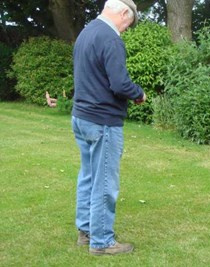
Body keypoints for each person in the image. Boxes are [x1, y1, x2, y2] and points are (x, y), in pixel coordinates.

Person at [71, 0, 146, 255]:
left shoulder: (86, 32)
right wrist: (139, 94)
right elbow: (120, 85)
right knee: (104, 182)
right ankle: (102, 241)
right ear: (124, 12)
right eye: (129, 23)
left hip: (81, 116)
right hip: (102, 120)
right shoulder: (111, 38)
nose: (126, 28)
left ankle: (86, 231)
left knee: (88, 177)